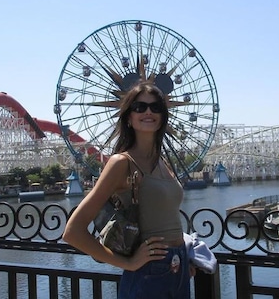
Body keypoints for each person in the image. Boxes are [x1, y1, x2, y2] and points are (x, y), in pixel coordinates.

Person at [63, 81, 191, 299]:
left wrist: (184, 260)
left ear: (163, 117)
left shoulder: (163, 163)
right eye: (140, 107)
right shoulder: (122, 163)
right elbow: (73, 232)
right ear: (129, 117)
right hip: (149, 273)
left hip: (179, 267)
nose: (148, 112)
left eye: (156, 107)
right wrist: (129, 263)